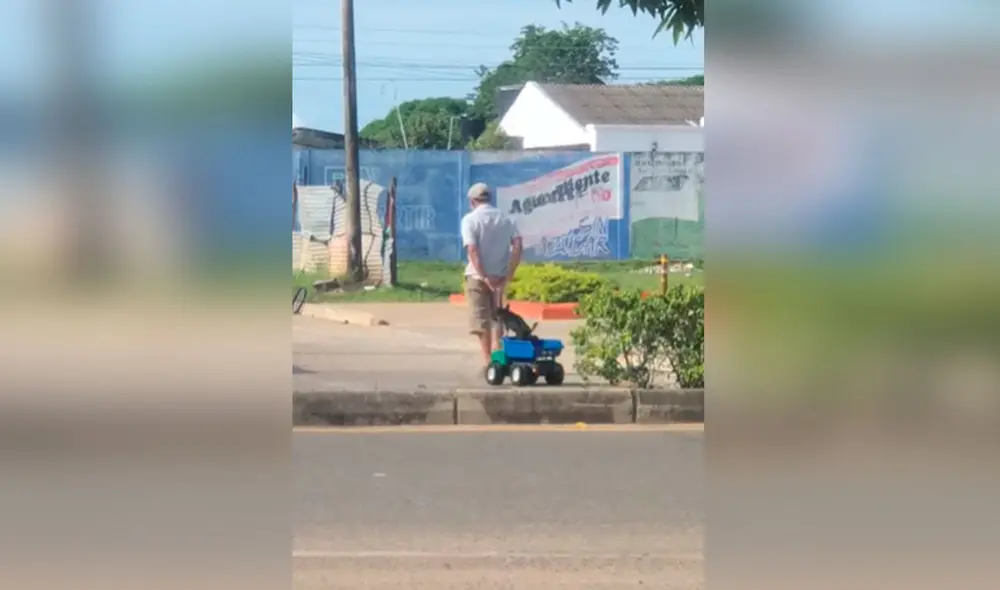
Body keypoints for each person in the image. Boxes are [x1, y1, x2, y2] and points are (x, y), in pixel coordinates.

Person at [461, 182, 522, 368]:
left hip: (477, 277)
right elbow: (518, 245)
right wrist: (508, 274)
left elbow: (472, 250)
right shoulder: (506, 219)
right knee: (498, 317)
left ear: (472, 201)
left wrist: (484, 275)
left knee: (481, 319)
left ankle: (488, 361)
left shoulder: (470, 220)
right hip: (500, 276)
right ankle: (498, 355)